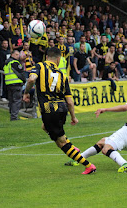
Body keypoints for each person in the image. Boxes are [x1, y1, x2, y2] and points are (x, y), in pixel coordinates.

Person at [23, 47, 96, 175]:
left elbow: (31, 79)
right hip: (61, 109)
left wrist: (26, 92)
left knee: (60, 143)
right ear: (58, 59)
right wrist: (73, 116)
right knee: (45, 127)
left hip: (49, 109)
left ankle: (88, 165)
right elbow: (69, 101)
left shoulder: (39, 66)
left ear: (46, 57)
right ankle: (71, 146)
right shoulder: (62, 75)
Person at [3, 50, 26, 121]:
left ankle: (12, 115)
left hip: (9, 85)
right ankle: (14, 117)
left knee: (12, 101)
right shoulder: (15, 62)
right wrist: (24, 80)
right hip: (16, 84)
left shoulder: (6, 63)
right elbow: (21, 72)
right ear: (12, 54)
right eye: (16, 54)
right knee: (17, 101)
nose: (18, 56)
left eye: (18, 54)